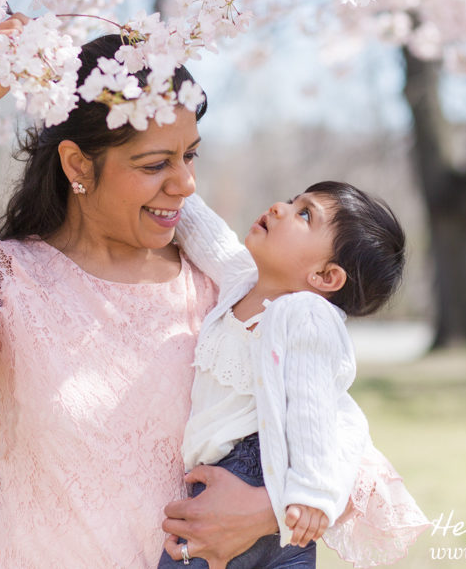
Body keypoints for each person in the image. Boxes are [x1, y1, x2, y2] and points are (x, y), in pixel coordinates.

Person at [0, 15, 279, 568]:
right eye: (155, 163)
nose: (185, 183)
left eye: (190, 156)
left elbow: (328, 425)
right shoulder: (8, 281)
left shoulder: (222, 287)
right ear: (76, 164)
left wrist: (269, 510)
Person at [158, 182, 430, 568]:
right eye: (291, 201)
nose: (280, 208)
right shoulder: (243, 281)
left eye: (305, 214)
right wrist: (174, 188)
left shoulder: (304, 314)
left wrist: (311, 494)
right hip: (218, 483)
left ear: (324, 276)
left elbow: (311, 409)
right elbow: (208, 236)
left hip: (261, 475)